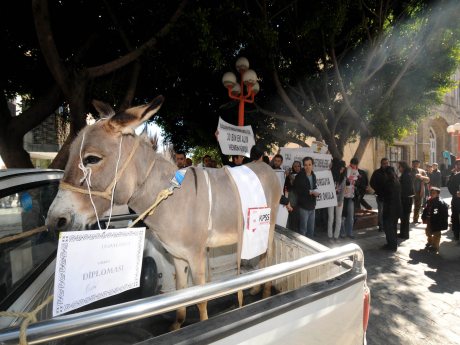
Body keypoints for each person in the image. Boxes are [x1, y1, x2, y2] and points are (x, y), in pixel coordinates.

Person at [293, 157, 320, 238]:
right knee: (303, 230)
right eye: (305, 165)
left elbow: (314, 186)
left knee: (311, 229)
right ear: (303, 166)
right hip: (303, 206)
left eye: (309, 165)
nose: (307, 167)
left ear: (312, 165)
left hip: (312, 205)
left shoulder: (314, 175)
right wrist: (310, 192)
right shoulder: (299, 176)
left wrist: (316, 191)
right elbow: (297, 191)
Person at [421, 187, 448, 253]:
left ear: (437, 194)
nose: (432, 194)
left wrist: (437, 220)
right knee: (428, 232)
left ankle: (435, 246)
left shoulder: (439, 203)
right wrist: (424, 216)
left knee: (436, 234)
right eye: (431, 193)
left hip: (436, 221)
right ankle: (430, 241)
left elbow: (436, 212)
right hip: (429, 220)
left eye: (434, 193)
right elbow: (426, 209)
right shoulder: (430, 200)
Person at [381, 166, 401, 251]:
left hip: (390, 208)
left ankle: (391, 245)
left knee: (388, 227)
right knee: (393, 227)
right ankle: (393, 244)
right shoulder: (397, 181)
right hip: (396, 208)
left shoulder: (389, 183)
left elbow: (386, 195)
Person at [327, 159, 346, 241]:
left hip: (339, 200)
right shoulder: (330, 175)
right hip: (330, 199)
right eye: (341, 168)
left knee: (338, 218)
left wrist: (340, 201)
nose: (342, 170)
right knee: (331, 218)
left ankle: (336, 236)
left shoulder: (343, 178)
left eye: (343, 168)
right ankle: (330, 236)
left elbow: (343, 190)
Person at [341, 158, 359, 239]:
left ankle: (350, 232)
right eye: (353, 164)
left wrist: (355, 181)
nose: (354, 166)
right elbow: (347, 178)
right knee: (343, 215)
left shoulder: (355, 169)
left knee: (350, 216)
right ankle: (343, 232)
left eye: (355, 164)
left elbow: (357, 178)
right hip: (344, 196)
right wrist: (352, 179)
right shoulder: (348, 169)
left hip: (351, 195)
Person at [370, 158, 389, 232]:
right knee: (381, 211)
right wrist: (377, 190)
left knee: (387, 211)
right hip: (380, 195)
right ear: (381, 164)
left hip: (388, 195)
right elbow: (372, 182)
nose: (385, 165)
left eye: (387, 163)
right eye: (384, 163)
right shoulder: (377, 172)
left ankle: (386, 225)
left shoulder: (390, 172)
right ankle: (381, 226)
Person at [398, 161, 414, 239]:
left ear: (403, 167)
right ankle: (403, 233)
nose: (399, 168)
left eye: (399, 167)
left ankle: (404, 234)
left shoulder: (406, 175)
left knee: (405, 217)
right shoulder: (406, 174)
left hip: (406, 199)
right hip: (407, 198)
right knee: (404, 217)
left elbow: (405, 188)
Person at [284, 161, 301, 232]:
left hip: (301, 202)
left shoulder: (303, 175)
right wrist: (290, 179)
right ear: (292, 167)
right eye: (295, 166)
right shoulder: (289, 176)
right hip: (292, 201)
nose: (297, 168)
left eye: (298, 166)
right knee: (293, 218)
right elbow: (287, 188)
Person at [447, 159, 460, 241]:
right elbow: (449, 185)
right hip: (456, 200)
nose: (459, 166)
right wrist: (455, 193)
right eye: (458, 164)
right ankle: (456, 234)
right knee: (455, 216)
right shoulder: (455, 176)